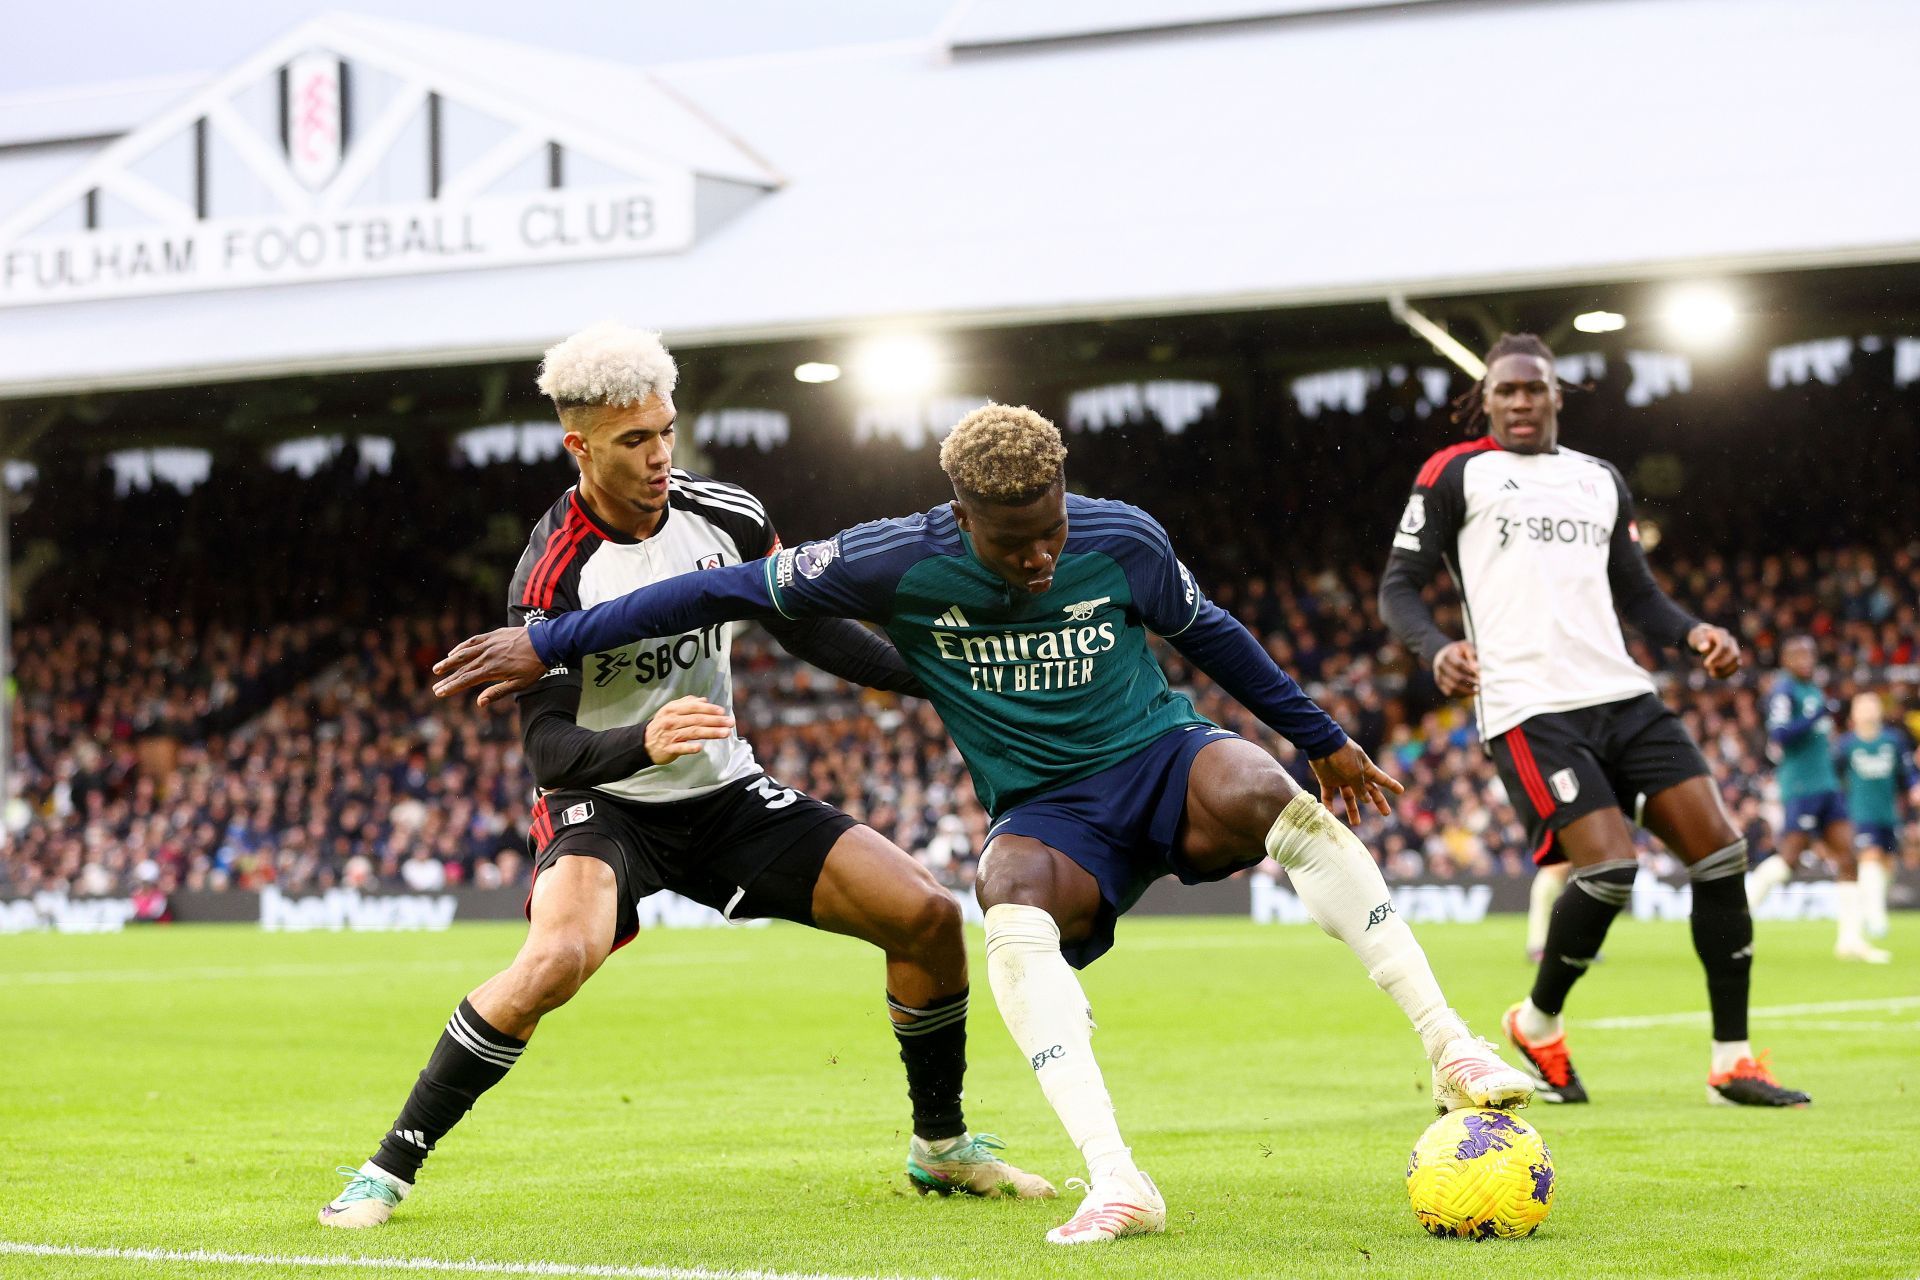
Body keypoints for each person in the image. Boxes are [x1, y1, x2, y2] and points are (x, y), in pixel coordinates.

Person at [432, 402, 1534, 1247]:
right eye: (1014, 545)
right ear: (961, 519)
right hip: (1051, 816)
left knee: (1259, 782)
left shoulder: (1124, 538)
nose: (1041, 556)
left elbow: (1217, 635)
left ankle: (1451, 1043)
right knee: (1003, 897)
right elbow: (715, 595)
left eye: (1050, 530)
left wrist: (1323, 733)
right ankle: (1118, 1178)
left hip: (1161, 759)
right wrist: (555, 639)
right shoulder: (888, 558)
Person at [319, 325, 1051, 1229]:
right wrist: (642, 744)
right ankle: (385, 1170)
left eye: (667, 429)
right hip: (605, 806)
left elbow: (806, 624)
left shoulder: (730, 517)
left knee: (930, 917)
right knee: (555, 959)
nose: (661, 454)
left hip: (722, 792)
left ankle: (940, 1148)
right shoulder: (551, 571)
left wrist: (929, 676)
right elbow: (548, 752)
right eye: (634, 440)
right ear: (578, 446)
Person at [1379, 332, 1810, 1108]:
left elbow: (1636, 595)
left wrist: (1693, 634)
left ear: (1555, 396)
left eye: (1533, 389)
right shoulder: (1457, 473)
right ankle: (1538, 1023)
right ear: (1486, 400)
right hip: (1528, 704)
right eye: (1505, 390)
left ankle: (1733, 1062)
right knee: (1610, 870)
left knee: (1720, 855)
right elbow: (1399, 586)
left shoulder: (1598, 480)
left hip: (1623, 694)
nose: (1519, 402)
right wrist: (1435, 646)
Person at [1832, 691, 1913, 950]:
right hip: (1860, 814)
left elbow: (1906, 774)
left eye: (1872, 704)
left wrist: (1914, 788)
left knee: (1888, 866)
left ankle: (1873, 905)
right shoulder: (1846, 745)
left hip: (1888, 814)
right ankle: (1875, 914)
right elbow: (1835, 778)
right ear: (1854, 714)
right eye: (1863, 706)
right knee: (1870, 856)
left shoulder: (1894, 741)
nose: (1868, 710)